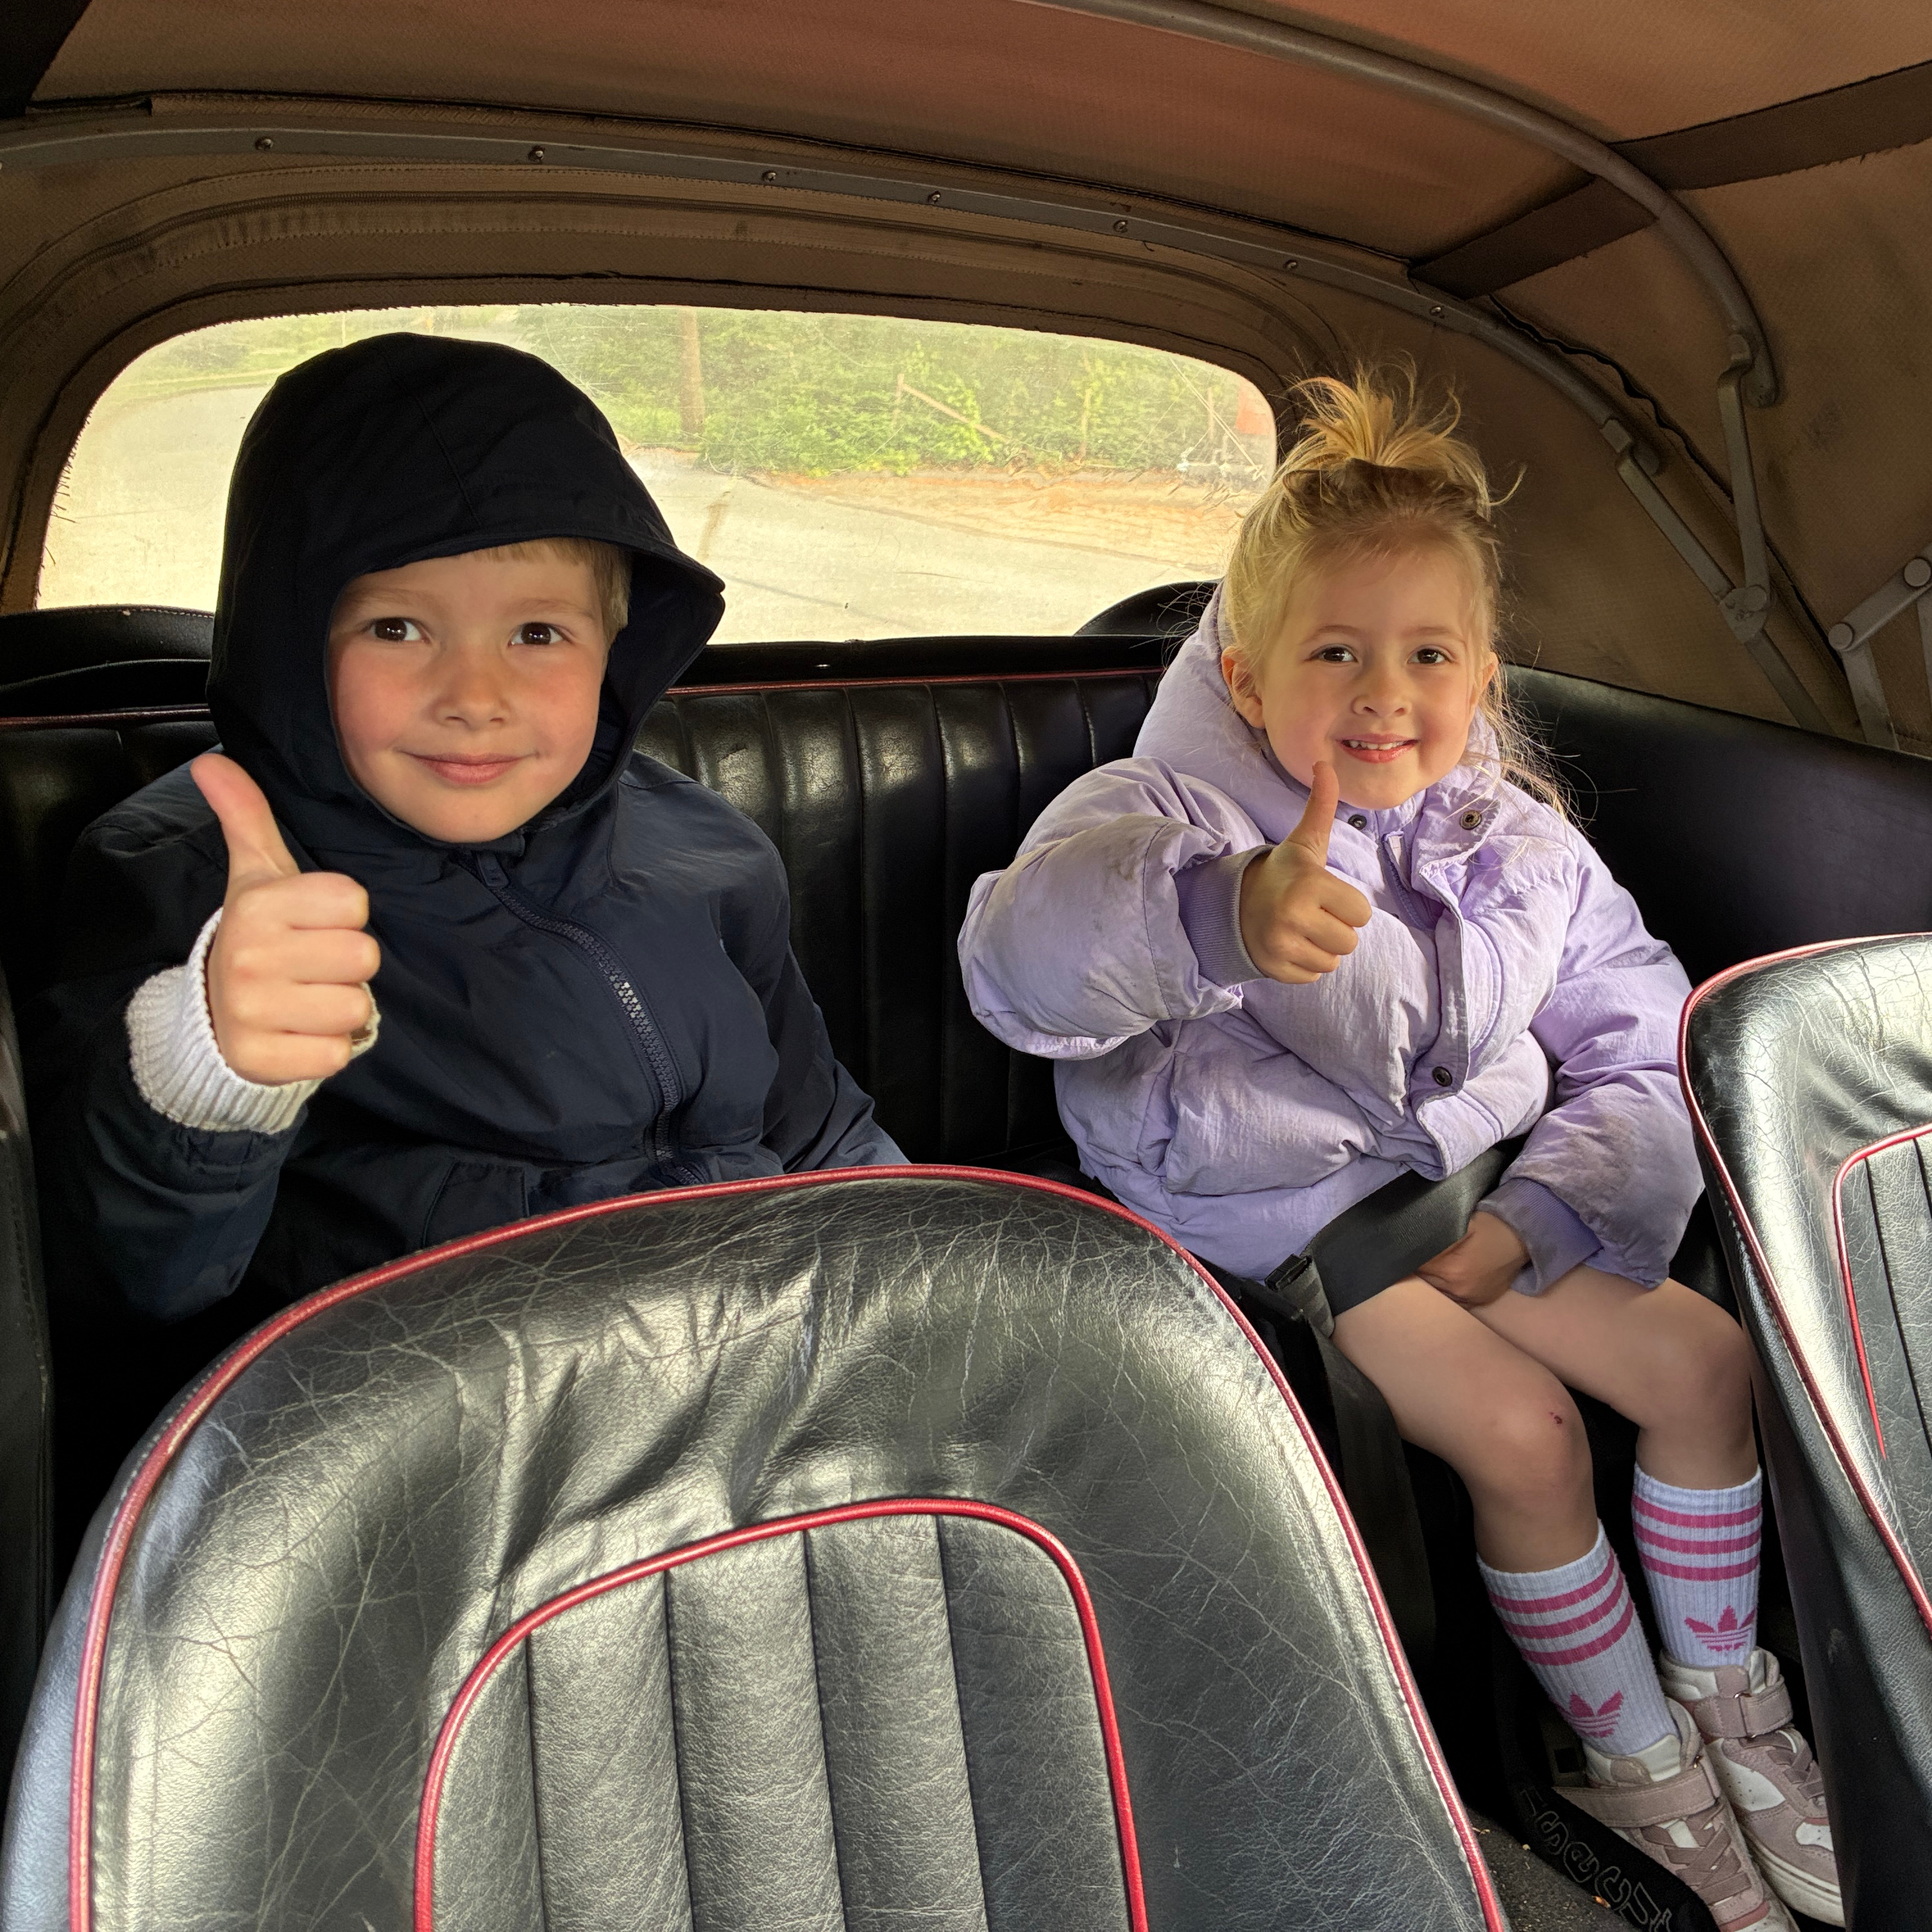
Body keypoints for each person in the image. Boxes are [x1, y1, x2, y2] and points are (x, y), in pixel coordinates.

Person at [958, 371, 1838, 1930]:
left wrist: (1554, 1209)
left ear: (1482, 671)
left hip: (1482, 1198)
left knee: (1709, 1369)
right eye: (1336, 653)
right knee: (1526, 1435)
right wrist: (1214, 915)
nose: (1385, 694)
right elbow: (1023, 962)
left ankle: (1732, 1721)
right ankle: (1631, 1764)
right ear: (1247, 675)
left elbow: (1638, 1026)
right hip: (1289, 1215)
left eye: (1429, 655)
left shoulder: (1516, 832)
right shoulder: (1159, 812)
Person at [28, 332, 900, 1529]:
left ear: (614, 651)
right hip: (427, 1482)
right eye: (399, 628)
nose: (476, 697)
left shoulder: (704, 847)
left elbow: (818, 1126)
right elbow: (128, 1281)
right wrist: (210, 1066)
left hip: (746, 1410)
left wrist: (913, 1295)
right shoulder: (193, 878)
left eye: (538, 634)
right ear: (294, 640)